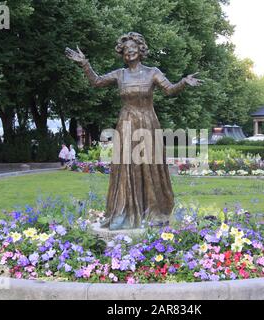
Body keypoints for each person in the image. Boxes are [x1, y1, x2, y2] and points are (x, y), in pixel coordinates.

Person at [66, 32, 202, 230]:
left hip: (148, 122)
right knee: (127, 166)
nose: (130, 51)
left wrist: (183, 82)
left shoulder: (152, 72)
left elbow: (169, 89)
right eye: (126, 49)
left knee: (149, 166)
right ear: (122, 53)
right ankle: (126, 210)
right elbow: (96, 81)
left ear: (140, 50)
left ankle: (154, 210)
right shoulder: (120, 74)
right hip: (127, 123)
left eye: (133, 48)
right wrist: (84, 64)